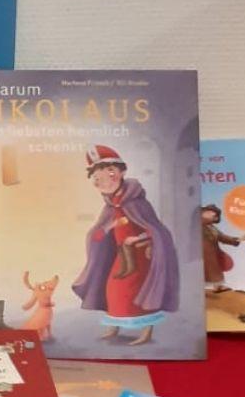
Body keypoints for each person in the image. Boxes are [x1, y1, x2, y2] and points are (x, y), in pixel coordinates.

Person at [72, 144, 180, 345]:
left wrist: (138, 239)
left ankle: (146, 331)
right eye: (96, 176)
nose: (102, 180)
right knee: (113, 290)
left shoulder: (137, 203)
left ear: (120, 172)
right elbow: (97, 235)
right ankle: (115, 326)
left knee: (140, 293)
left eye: (109, 172)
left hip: (142, 258)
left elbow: (156, 230)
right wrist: (108, 228)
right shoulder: (111, 206)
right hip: (122, 257)